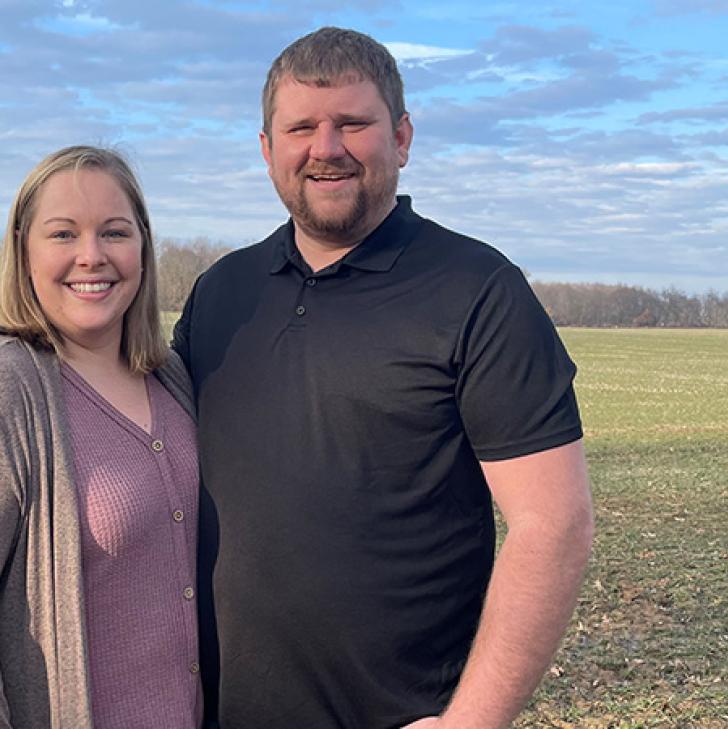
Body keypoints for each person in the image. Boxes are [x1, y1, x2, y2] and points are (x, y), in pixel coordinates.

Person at [173, 27, 593, 729]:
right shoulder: (222, 293)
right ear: (267, 149)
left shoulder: (478, 291)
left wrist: (470, 721)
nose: (326, 147)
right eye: (301, 126)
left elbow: (554, 525)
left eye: (353, 123)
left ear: (400, 138)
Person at [0, 145, 201, 728]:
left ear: (142, 245)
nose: (91, 257)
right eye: (63, 235)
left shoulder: (169, 375)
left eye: (114, 233)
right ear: (24, 249)